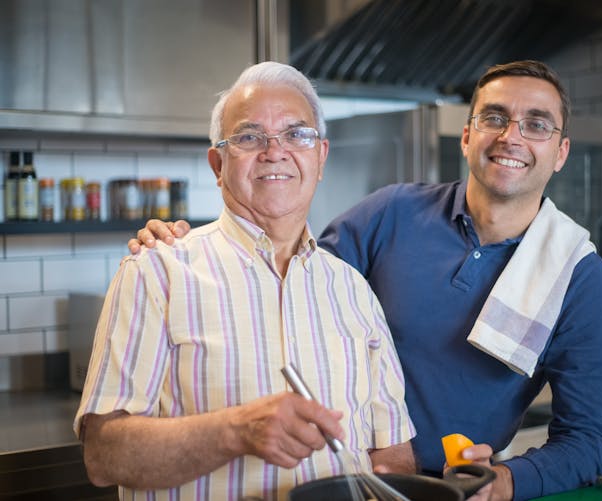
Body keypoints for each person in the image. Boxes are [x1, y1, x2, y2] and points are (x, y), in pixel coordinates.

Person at [131, 60, 602, 500]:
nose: (511, 136)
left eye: (536, 125)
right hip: (337, 476)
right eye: (494, 117)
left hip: (454, 487)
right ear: (468, 135)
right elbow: (287, 278)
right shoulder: (394, 212)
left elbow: (589, 439)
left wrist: (507, 481)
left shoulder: (577, 276)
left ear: (560, 152)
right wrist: (195, 246)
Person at [74, 61, 416, 501]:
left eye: (297, 134)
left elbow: (390, 452)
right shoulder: (156, 272)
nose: (275, 151)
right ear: (218, 163)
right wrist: (235, 431)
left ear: (320, 156)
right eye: (250, 137)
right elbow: (104, 456)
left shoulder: (354, 291)